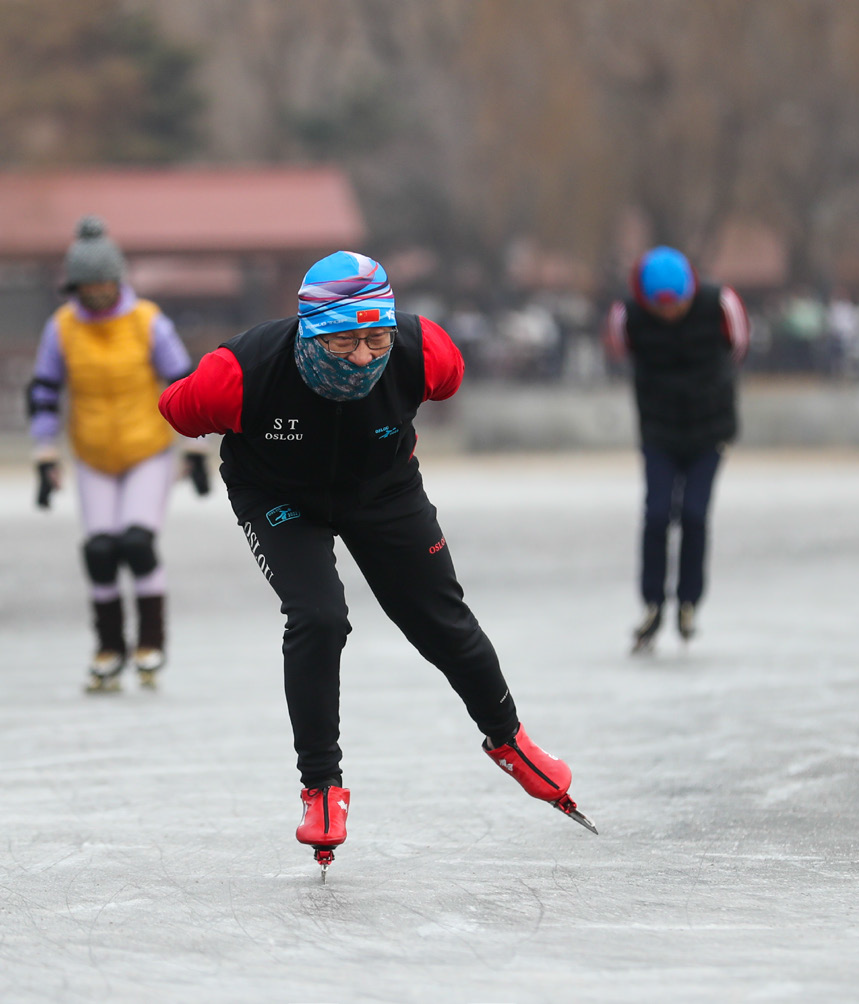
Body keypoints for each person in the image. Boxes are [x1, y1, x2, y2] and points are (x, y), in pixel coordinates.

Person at [158, 250, 594, 874]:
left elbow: (444, 381)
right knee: (319, 618)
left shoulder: (427, 353)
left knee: (441, 620)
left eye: (377, 337)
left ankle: (510, 741)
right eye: (343, 343)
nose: (365, 357)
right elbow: (175, 410)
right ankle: (322, 788)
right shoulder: (239, 374)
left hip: (382, 490)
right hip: (280, 499)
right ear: (310, 333)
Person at [27, 215, 209, 693]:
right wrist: (45, 454)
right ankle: (108, 647)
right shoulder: (62, 328)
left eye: (106, 282)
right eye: (89, 284)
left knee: (136, 542)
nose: (99, 292)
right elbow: (45, 391)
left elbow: (184, 383)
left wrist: (195, 448)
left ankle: (151, 642)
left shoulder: (147, 321)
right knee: (100, 551)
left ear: (119, 279)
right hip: (92, 454)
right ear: (75, 285)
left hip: (147, 450)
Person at [604, 246, 749, 652]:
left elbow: (738, 346)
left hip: (709, 431)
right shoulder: (628, 316)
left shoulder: (720, 303)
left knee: (694, 514)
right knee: (655, 516)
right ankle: (652, 603)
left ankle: (688, 601)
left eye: (678, 304)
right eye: (660, 307)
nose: (670, 313)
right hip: (660, 432)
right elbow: (619, 350)